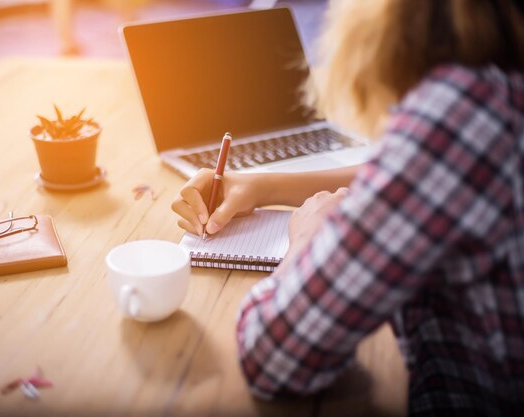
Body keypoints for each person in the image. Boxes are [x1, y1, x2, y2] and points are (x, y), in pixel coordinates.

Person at [171, 0, 524, 415]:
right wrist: (264, 185)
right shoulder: (497, 97)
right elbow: (414, 178)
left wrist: (304, 240)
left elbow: (273, 355)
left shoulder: (454, 118)